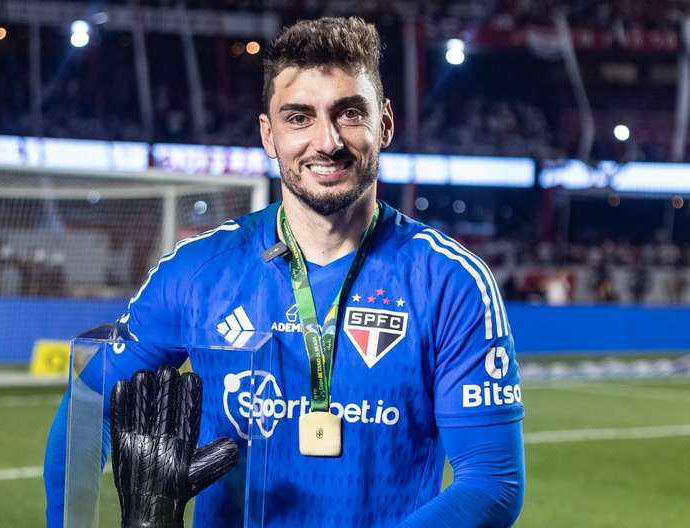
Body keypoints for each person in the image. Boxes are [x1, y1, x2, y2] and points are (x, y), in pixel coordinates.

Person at [44, 16, 525, 527]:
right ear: (268, 135)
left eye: (348, 113)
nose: (327, 141)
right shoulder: (198, 271)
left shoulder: (449, 282)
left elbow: (491, 482)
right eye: (299, 118)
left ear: (384, 123)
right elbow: (87, 409)